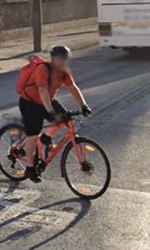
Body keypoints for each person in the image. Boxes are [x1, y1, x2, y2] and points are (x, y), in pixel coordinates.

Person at [8, 44, 92, 182]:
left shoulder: (63, 71)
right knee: (33, 136)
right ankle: (30, 168)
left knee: (64, 119)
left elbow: (72, 87)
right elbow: (42, 90)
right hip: (30, 102)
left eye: (65, 58)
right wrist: (50, 112)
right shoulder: (43, 68)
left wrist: (84, 106)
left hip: (47, 100)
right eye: (60, 58)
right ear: (53, 58)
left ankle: (46, 138)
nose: (63, 61)